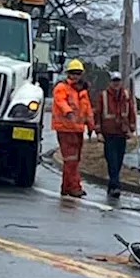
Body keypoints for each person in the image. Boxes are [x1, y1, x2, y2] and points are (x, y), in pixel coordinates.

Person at [94, 71, 137, 198]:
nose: (116, 83)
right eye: (114, 81)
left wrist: (132, 129)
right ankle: (116, 186)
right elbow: (97, 114)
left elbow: (131, 112)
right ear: (110, 82)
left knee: (118, 161)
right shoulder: (103, 96)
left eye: (118, 81)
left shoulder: (126, 95)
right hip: (109, 133)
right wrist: (98, 132)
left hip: (122, 133)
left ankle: (112, 185)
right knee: (111, 160)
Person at [52, 59, 89, 197]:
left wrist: (91, 125)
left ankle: (66, 187)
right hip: (65, 128)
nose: (75, 76)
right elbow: (60, 101)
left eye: (78, 73)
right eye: (73, 73)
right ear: (68, 74)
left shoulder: (82, 90)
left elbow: (87, 109)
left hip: (78, 129)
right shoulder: (61, 88)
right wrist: (68, 112)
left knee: (74, 160)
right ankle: (74, 187)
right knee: (71, 160)